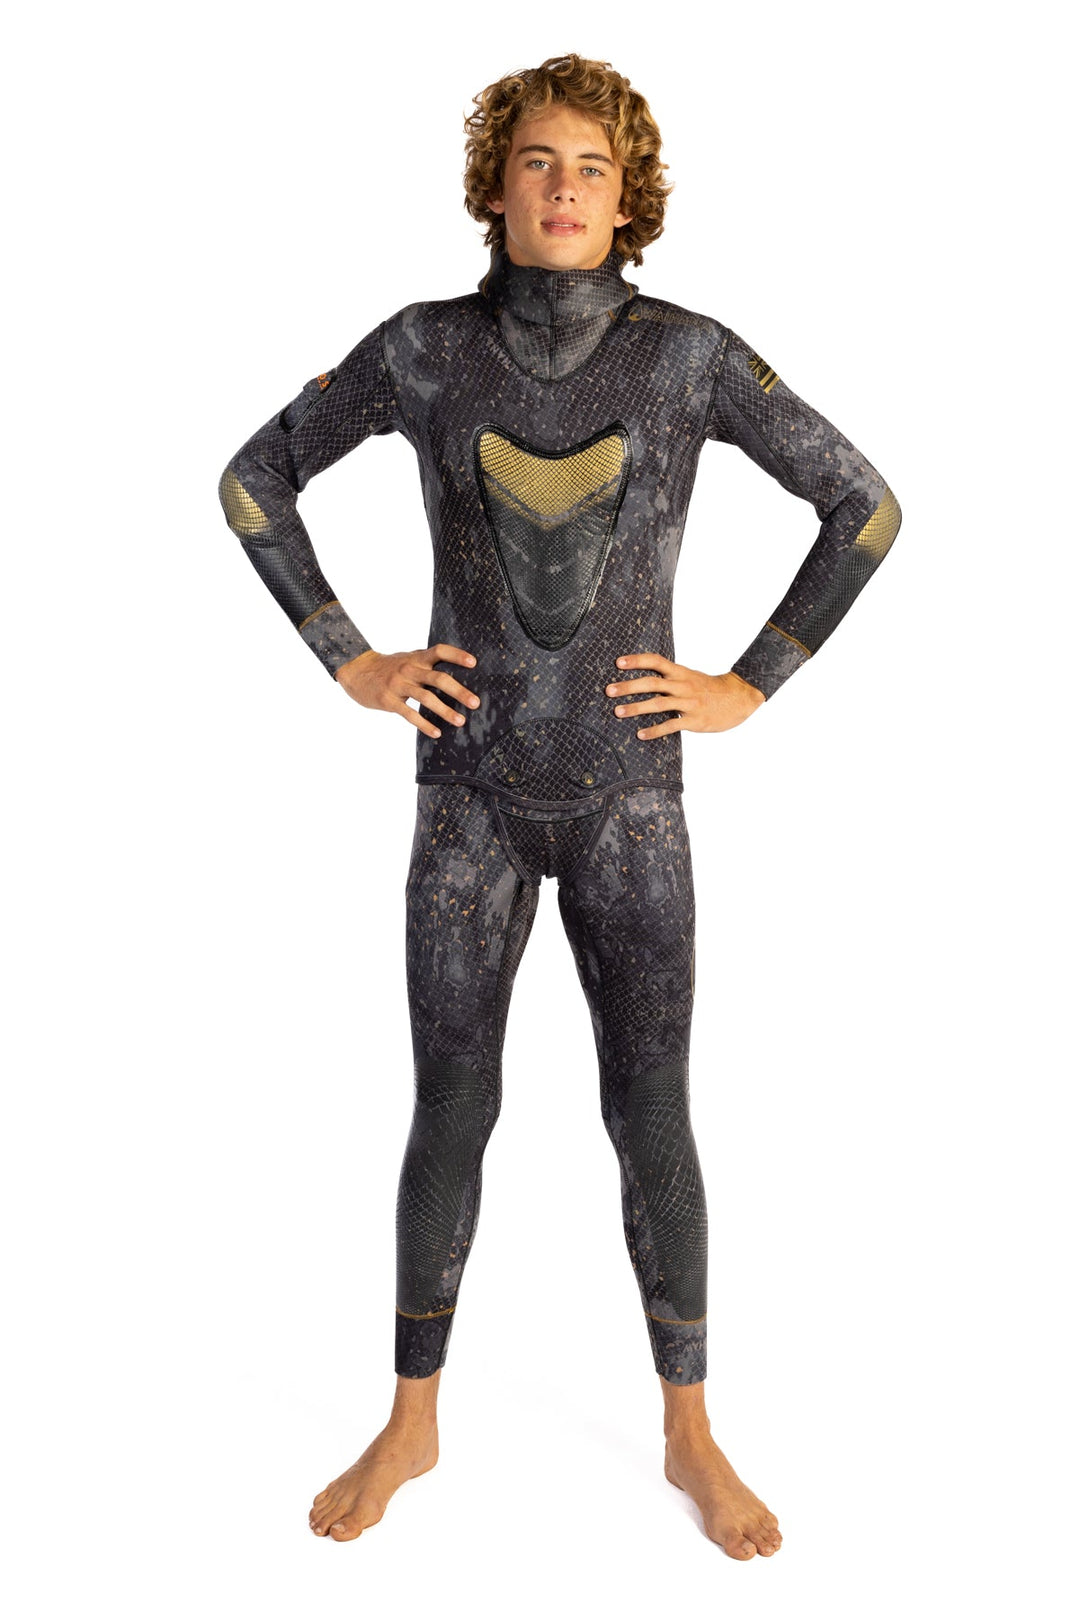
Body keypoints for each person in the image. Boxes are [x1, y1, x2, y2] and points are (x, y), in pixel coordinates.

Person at [218, 53, 899, 1559]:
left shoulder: (688, 358)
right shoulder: (422, 350)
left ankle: (689, 1434)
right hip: (466, 796)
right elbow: (256, 481)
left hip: (630, 802)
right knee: (451, 1105)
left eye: (592, 166)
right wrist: (351, 657)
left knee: (651, 1109)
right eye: (537, 160)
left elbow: (866, 507)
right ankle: (412, 1420)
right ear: (498, 183)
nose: (564, 187)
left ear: (628, 194)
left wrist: (752, 682)